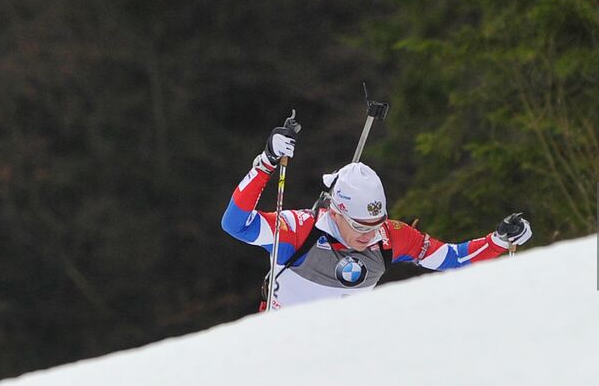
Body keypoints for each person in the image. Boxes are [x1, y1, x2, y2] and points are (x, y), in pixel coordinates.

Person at [221, 117, 533, 308]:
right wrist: (267, 162)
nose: (369, 235)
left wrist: (500, 240)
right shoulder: (300, 230)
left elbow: (450, 258)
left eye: (376, 224)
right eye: (359, 225)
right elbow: (235, 223)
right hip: (280, 352)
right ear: (336, 212)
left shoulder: (389, 237)